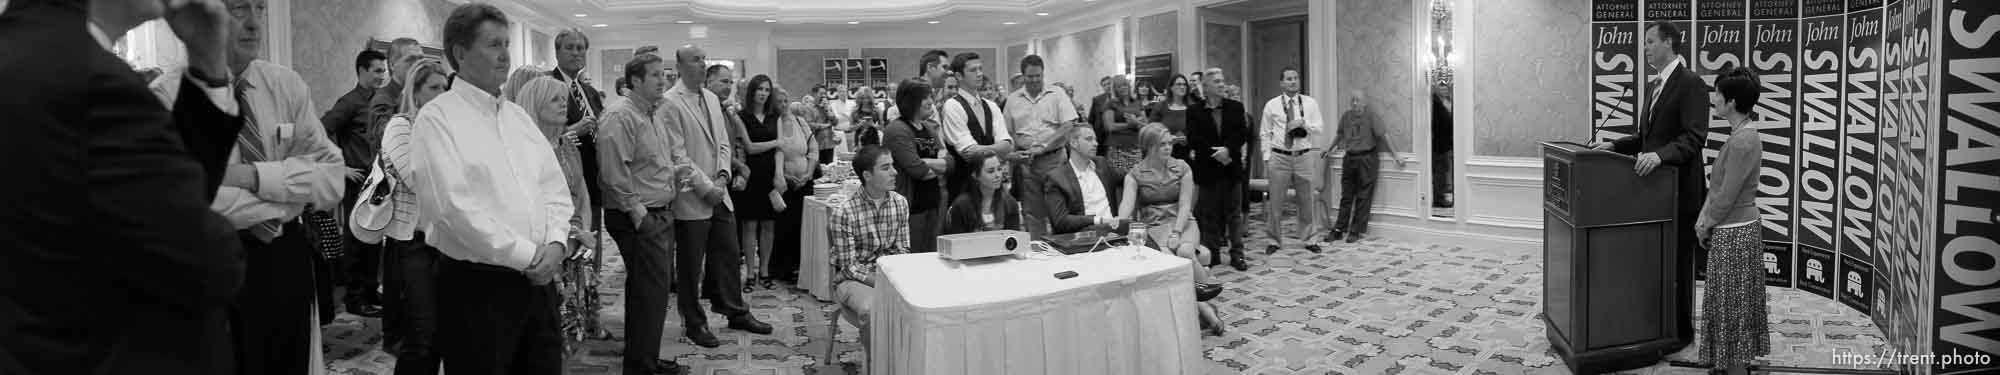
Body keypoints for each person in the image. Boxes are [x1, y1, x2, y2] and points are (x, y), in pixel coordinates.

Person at [0, 0, 246, 373]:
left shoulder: (22, 50)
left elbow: (158, 204)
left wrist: (208, 68)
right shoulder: (90, 81)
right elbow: (210, 261)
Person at [147, 0, 348, 372]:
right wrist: (288, 199)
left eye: (260, 9)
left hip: (283, 258)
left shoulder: (285, 85)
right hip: (210, 263)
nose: (255, 23)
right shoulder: (165, 97)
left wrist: (248, 177)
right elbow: (191, 203)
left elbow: (332, 179)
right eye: (240, 8)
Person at [409, 4, 574, 374]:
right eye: (493, 45)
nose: (505, 55)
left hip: (539, 281)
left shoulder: (517, 117)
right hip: (478, 288)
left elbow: (553, 188)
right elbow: (453, 211)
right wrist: (527, 255)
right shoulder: (437, 119)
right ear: (460, 53)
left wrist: (557, 241)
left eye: (506, 43)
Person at [1589, 20, 1707, 348]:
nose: (1645, 48)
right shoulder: (1654, 86)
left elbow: (1695, 136)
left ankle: (1681, 333)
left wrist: (1660, 157)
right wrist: (1614, 145)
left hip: (1679, 189)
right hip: (1651, 191)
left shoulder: (1691, 83)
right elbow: (1646, 138)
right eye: (1645, 43)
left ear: (1669, 43)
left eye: (1650, 41)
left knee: (1679, 264)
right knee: (1656, 262)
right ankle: (1657, 324)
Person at [658, 44, 774, 348]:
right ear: (681, 65)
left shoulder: (711, 98)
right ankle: (694, 322)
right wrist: (704, 186)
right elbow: (677, 154)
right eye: (695, 60)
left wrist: (722, 176)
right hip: (691, 195)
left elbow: (723, 142)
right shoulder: (669, 102)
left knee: (727, 254)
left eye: (703, 59)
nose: (701, 63)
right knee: (690, 266)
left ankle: (735, 311)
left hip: (719, 191)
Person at [593, 52, 688, 375]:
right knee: (649, 294)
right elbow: (612, 172)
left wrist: (674, 173)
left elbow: (646, 163)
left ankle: (642, 359)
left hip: (657, 213)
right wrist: (640, 216)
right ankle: (641, 367)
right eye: (656, 75)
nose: (664, 81)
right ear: (635, 80)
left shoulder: (652, 113)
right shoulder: (620, 116)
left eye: (665, 74)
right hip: (639, 217)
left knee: (649, 294)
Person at [512, 76, 605, 362]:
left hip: (575, 246)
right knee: (545, 336)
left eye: (564, 98)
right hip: (547, 249)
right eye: (555, 99)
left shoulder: (567, 143)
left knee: (568, 331)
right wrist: (571, 234)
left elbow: (582, 193)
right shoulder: (524, 148)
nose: (563, 103)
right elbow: (534, 205)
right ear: (535, 105)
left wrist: (583, 231)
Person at [369, 55, 452, 375]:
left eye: (445, 87)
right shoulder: (400, 126)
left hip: (443, 239)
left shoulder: (445, 129)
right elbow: (418, 180)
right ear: (415, 92)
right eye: (434, 87)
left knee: (440, 332)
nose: (441, 94)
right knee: (421, 332)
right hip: (411, 243)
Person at [1690, 67, 1770, 375]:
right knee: (1729, 301)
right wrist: (1705, 218)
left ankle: (1735, 366)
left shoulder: (1742, 141)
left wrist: (1704, 223)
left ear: (1732, 102)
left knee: (1733, 304)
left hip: (1735, 230)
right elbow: (1719, 190)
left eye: (1719, 95)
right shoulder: (1741, 135)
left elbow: (1726, 196)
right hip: (1732, 227)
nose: (1714, 100)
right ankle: (1730, 363)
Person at [1117, 124, 1227, 334]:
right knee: (1172, 262)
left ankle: (1203, 296)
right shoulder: (1135, 175)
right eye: (1162, 145)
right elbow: (1126, 206)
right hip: (1155, 227)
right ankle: (1205, 307)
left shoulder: (1182, 167)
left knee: (1185, 251)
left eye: (1170, 143)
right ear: (1149, 147)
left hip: (1183, 223)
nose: (1168, 148)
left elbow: (1186, 204)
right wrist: (1119, 221)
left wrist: (1177, 232)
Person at [323, 48, 391, 317]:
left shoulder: (380, 101)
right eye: (377, 70)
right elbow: (322, 129)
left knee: (374, 236)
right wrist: (341, 167)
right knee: (356, 241)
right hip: (358, 182)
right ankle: (354, 298)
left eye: (383, 70)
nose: (381, 75)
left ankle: (371, 289)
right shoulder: (350, 102)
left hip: (379, 180)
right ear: (362, 71)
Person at [827, 145, 911, 345]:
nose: (895, 172)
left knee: (921, 302)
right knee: (874, 309)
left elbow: (902, 251)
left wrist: (895, 280)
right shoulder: (844, 212)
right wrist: (882, 283)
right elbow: (849, 267)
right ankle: (877, 364)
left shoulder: (900, 203)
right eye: (886, 168)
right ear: (867, 175)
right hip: (851, 279)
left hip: (888, 275)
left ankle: (903, 359)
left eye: (893, 166)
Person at [549, 31, 607, 288]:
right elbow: (540, 136)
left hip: (593, 180)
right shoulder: (546, 86)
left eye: (581, 48)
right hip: (564, 183)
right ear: (557, 52)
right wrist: (574, 129)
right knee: (571, 249)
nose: (576, 53)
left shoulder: (590, 92)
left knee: (592, 243)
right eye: (570, 48)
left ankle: (591, 301)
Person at [1186, 67, 1251, 271]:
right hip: (1208, 169)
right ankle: (1212, 253)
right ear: (1205, 86)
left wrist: (1228, 151)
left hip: (1231, 168)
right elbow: (1194, 139)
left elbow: (1242, 134)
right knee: (1210, 214)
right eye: (1217, 82)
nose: (1222, 84)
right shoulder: (1194, 111)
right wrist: (1217, 154)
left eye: (1223, 81)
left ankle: (1237, 254)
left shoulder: (1236, 107)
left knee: (1234, 214)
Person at [1003, 55, 1081, 221]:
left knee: (1060, 211)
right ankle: (1036, 245)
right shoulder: (1012, 100)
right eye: (1030, 76)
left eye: (1039, 75)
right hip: (1027, 164)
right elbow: (1007, 132)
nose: (1035, 80)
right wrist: (1016, 154)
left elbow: (1068, 124)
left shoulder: (1057, 94)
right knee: (1033, 213)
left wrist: (1044, 146)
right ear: (1023, 76)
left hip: (1054, 160)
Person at [1326, 90, 1406, 244]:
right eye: (1352, 100)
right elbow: (1340, 135)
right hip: (1349, 158)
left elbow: (1384, 136)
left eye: (1358, 100)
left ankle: (1355, 230)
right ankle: (1339, 229)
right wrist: (1329, 149)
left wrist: (1396, 156)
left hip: (1367, 158)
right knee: (1346, 195)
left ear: (1364, 102)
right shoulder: (1346, 116)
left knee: (1363, 196)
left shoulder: (1372, 116)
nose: (1355, 103)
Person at [1260, 67, 1326, 254]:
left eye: (1296, 78)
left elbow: (1320, 127)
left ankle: (1310, 239)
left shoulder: (1310, 103)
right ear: (1281, 83)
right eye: (1289, 79)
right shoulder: (1271, 105)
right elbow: (1265, 133)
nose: (1293, 81)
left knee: (1306, 201)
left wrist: (1306, 125)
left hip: (1303, 156)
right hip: (1279, 156)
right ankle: (1274, 240)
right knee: (1276, 202)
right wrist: (1267, 157)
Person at [733, 74, 790, 290]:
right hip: (750, 174)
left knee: (768, 225)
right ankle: (749, 272)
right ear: (751, 92)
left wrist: (779, 174)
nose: (763, 93)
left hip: (770, 173)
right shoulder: (741, 116)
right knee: (749, 225)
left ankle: (764, 271)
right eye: (760, 89)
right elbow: (749, 148)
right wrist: (776, 141)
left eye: (767, 90)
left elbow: (780, 150)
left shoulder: (774, 115)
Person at [882, 78, 950, 253]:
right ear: (910, 101)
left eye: (930, 96)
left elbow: (950, 163)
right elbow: (918, 171)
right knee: (911, 262)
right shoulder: (896, 130)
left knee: (932, 258)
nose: (931, 102)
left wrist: (928, 162)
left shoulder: (929, 128)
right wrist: (938, 165)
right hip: (911, 208)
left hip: (934, 203)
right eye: (925, 97)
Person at [939, 52, 1018, 200]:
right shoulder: (952, 106)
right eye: (973, 70)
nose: (980, 74)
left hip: (994, 186)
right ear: (959, 76)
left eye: (980, 69)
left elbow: (1008, 145)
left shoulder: (991, 106)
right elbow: (968, 153)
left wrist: (985, 150)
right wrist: (997, 149)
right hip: (964, 187)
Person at [1040, 126, 1125, 235]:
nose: (1095, 144)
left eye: (1096, 140)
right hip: (1082, 237)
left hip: (1113, 234)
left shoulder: (1102, 165)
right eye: (1089, 139)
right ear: (1074, 143)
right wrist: (1098, 220)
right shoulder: (1056, 177)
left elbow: (1129, 177)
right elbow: (1060, 221)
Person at [942, 153, 1022, 234]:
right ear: (975, 175)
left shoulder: (1010, 203)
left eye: (999, 169)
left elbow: (1015, 239)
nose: (998, 175)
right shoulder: (961, 205)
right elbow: (956, 242)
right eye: (991, 171)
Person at [1092, 75, 1146, 171]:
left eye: (1125, 85)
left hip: (1136, 147)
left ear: (1129, 86)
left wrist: (1136, 122)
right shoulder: (1110, 103)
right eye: (1119, 86)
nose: (1123, 88)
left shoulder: (1137, 102)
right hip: (1118, 148)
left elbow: (1145, 124)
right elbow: (1109, 126)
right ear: (1115, 89)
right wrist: (1130, 124)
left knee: (1136, 177)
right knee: (1118, 178)